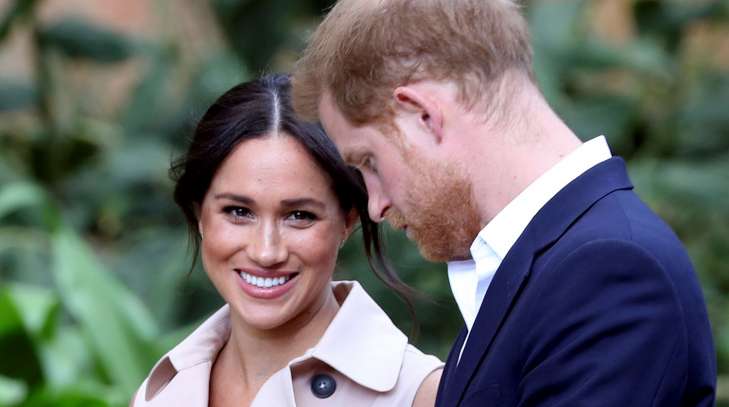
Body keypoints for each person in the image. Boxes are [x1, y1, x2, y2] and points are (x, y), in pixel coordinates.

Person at [291, 0, 717, 406]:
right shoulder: (535, 268)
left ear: (423, 115)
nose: (375, 206)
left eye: (369, 161)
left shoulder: (610, 271)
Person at [130, 74, 443, 407]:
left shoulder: (419, 394)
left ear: (347, 221)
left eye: (299, 216)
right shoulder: (160, 395)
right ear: (200, 215)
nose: (266, 252)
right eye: (238, 211)